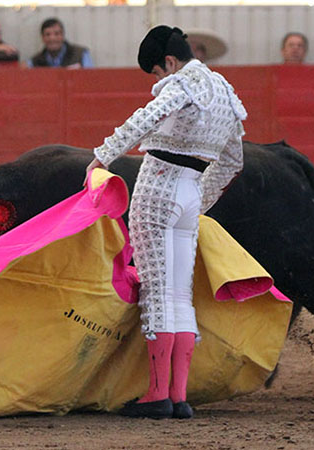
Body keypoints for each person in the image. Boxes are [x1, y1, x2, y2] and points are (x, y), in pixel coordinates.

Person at [84, 26, 247, 419]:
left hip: (157, 189)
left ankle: (157, 395)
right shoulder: (226, 94)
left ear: (170, 62)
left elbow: (147, 117)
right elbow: (233, 161)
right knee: (178, 295)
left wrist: (102, 157)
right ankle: (179, 396)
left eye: (157, 72)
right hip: (190, 192)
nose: (158, 81)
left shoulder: (182, 83)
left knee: (157, 292)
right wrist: (200, 199)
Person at [27, 18, 93, 69]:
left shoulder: (81, 54)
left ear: (63, 35)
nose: (52, 38)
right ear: (42, 37)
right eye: (47, 34)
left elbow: (90, 78)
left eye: (56, 34)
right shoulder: (35, 61)